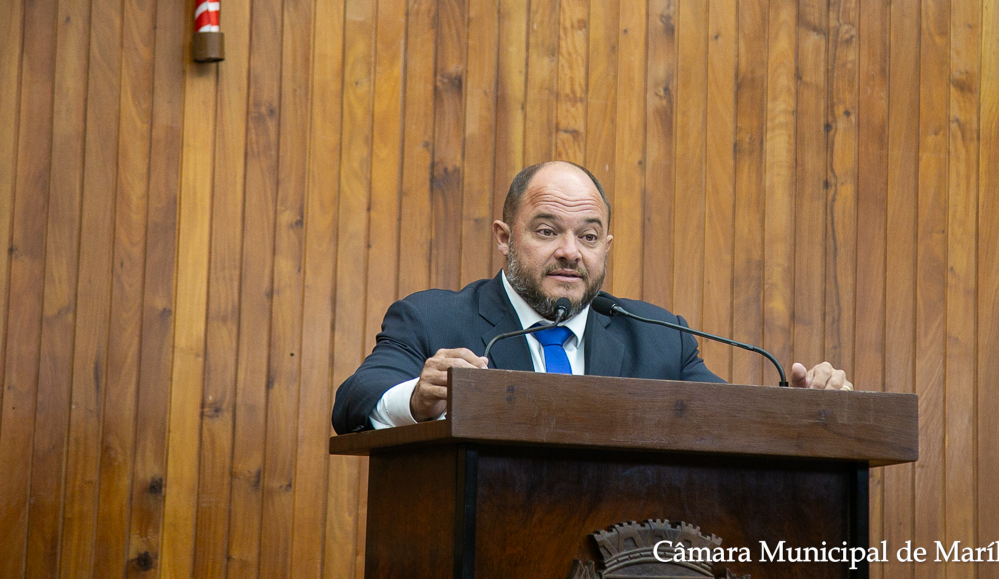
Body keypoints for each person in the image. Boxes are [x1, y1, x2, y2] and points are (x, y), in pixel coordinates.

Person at [332, 161, 852, 434]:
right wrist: (418, 400)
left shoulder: (658, 338)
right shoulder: (433, 319)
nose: (569, 251)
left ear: (605, 247)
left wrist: (803, 413)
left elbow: (730, 418)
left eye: (587, 236)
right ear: (504, 238)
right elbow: (355, 401)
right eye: (546, 231)